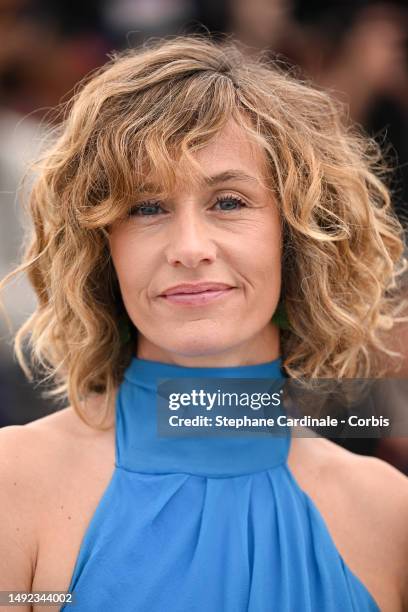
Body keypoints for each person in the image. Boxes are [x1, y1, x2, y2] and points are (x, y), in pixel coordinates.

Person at [0, 35, 407, 612]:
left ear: (296, 236)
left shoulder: (389, 515)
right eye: (146, 207)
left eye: (229, 202)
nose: (189, 248)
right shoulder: (13, 481)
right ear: (102, 247)